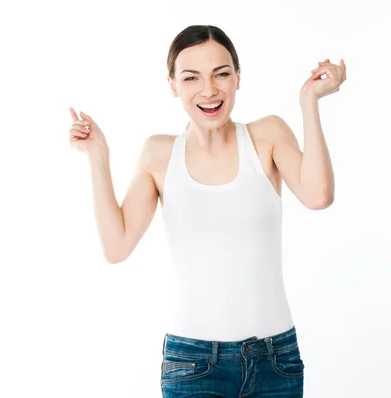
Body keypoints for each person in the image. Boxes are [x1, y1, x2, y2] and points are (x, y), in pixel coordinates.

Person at [68, 25, 346, 398]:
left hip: (275, 360)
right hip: (192, 364)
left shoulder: (268, 136)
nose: (209, 90)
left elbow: (319, 195)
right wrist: (98, 157)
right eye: (191, 78)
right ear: (173, 85)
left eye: (221, 74)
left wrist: (309, 102)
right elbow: (116, 247)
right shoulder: (158, 153)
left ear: (238, 77)